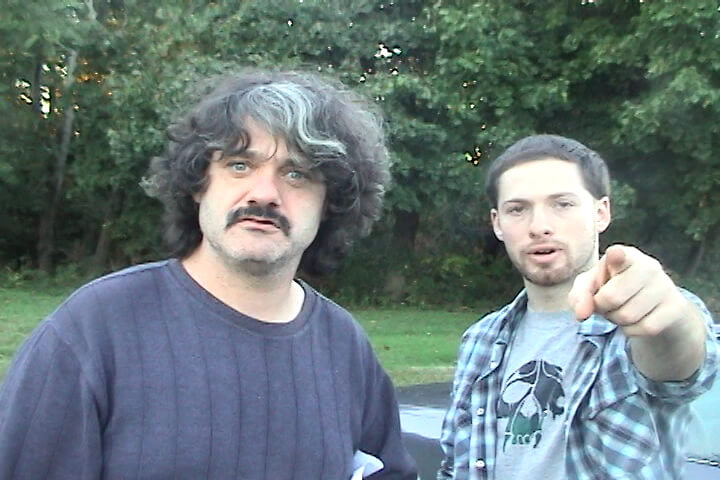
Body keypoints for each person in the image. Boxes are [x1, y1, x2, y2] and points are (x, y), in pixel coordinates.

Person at [0, 70, 417, 479]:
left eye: (296, 174)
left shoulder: (345, 348)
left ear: (330, 203)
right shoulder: (93, 331)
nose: (264, 193)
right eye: (240, 165)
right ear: (199, 183)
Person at [437, 134, 719, 479]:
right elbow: (454, 465)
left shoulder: (639, 320)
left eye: (562, 204)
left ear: (601, 213)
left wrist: (669, 320)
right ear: (497, 223)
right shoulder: (478, 340)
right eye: (517, 209)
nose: (539, 227)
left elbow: (679, 362)